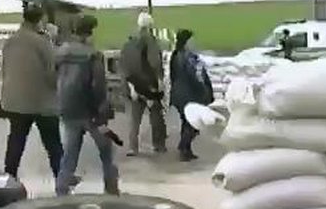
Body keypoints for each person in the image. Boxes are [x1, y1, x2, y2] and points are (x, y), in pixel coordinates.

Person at [55, 15, 120, 196]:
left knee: (70, 153)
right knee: (106, 149)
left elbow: (53, 78)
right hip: (89, 111)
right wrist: (102, 112)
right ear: (90, 33)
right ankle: (111, 188)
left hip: (67, 109)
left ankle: (61, 189)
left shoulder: (61, 53)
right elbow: (98, 86)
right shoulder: (93, 55)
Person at [0, 2, 63, 181]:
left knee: (16, 143)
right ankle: (62, 181)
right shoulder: (43, 42)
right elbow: (52, 73)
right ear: (40, 20)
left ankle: (8, 179)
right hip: (42, 103)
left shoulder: (10, 41)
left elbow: (5, 69)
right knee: (53, 145)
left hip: (16, 103)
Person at [121, 12, 167, 157]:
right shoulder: (150, 42)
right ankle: (158, 145)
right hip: (149, 85)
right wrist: (160, 81)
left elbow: (124, 65)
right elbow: (155, 63)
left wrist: (130, 86)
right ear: (150, 26)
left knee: (135, 118)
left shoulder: (129, 43)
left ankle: (133, 147)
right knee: (155, 116)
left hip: (133, 84)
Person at [170, 29, 214, 162]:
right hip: (189, 94)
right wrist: (204, 92)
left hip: (179, 94)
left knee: (187, 122)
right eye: (191, 40)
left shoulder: (176, 55)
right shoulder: (189, 58)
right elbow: (196, 77)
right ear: (186, 42)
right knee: (192, 124)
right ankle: (183, 147)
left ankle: (186, 148)